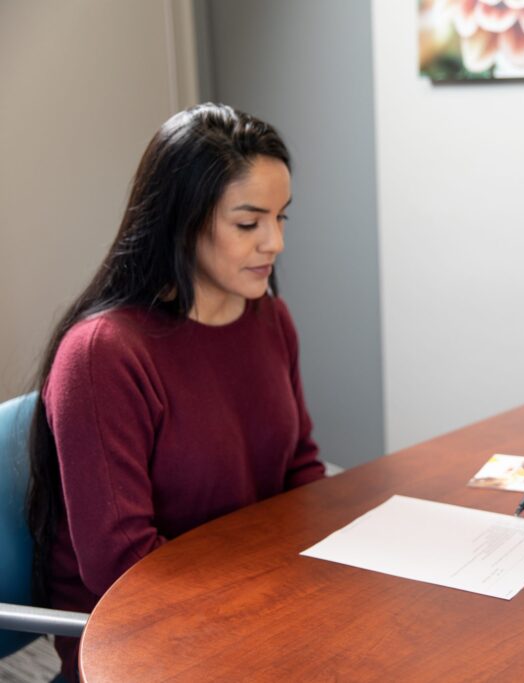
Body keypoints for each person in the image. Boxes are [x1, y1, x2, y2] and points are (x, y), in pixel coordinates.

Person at [25, 103, 326, 680]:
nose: (275, 243)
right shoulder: (103, 355)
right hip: (146, 638)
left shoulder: (269, 319)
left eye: (282, 218)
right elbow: (123, 563)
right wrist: (270, 600)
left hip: (256, 605)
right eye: (249, 223)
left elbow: (301, 471)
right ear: (182, 221)